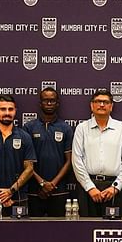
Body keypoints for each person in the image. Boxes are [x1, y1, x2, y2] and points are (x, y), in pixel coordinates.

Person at [72, 89, 122, 217]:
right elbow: (77, 160)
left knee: (117, 231)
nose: (101, 105)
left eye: (105, 102)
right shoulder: (82, 129)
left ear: (111, 106)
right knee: (87, 231)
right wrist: (90, 187)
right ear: (91, 105)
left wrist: (115, 187)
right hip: (88, 188)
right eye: (98, 101)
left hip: (115, 188)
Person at [23, 87, 73, 216]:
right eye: (46, 101)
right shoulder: (29, 127)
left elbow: (69, 161)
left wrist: (52, 184)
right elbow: (26, 161)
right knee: (33, 232)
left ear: (57, 103)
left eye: (52, 101)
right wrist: (42, 183)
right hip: (34, 189)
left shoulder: (65, 128)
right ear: (40, 103)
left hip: (58, 189)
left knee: (60, 232)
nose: (49, 104)